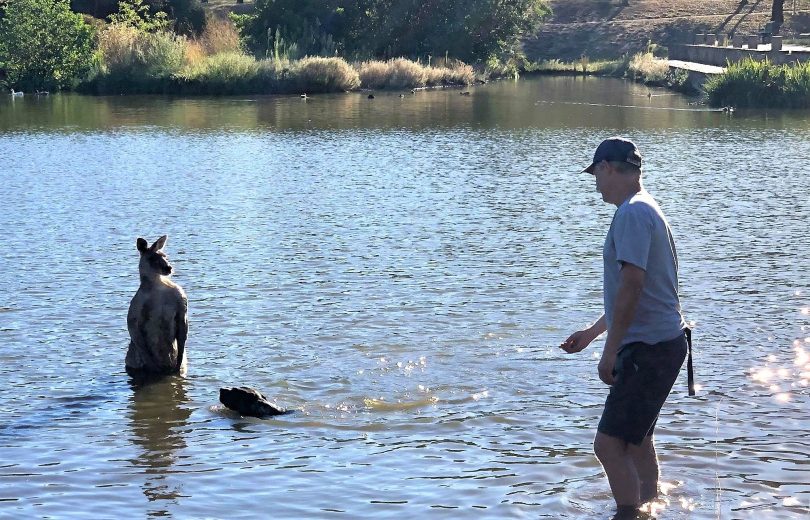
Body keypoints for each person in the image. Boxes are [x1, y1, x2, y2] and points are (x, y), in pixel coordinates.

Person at [560, 137, 692, 519]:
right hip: (664, 343)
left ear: (608, 168)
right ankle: (651, 504)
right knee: (636, 439)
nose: (596, 184)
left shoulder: (632, 213)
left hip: (648, 349)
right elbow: (635, 291)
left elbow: (633, 284)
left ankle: (629, 513)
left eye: (596, 175)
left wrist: (611, 351)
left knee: (607, 444)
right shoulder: (646, 208)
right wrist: (593, 332)